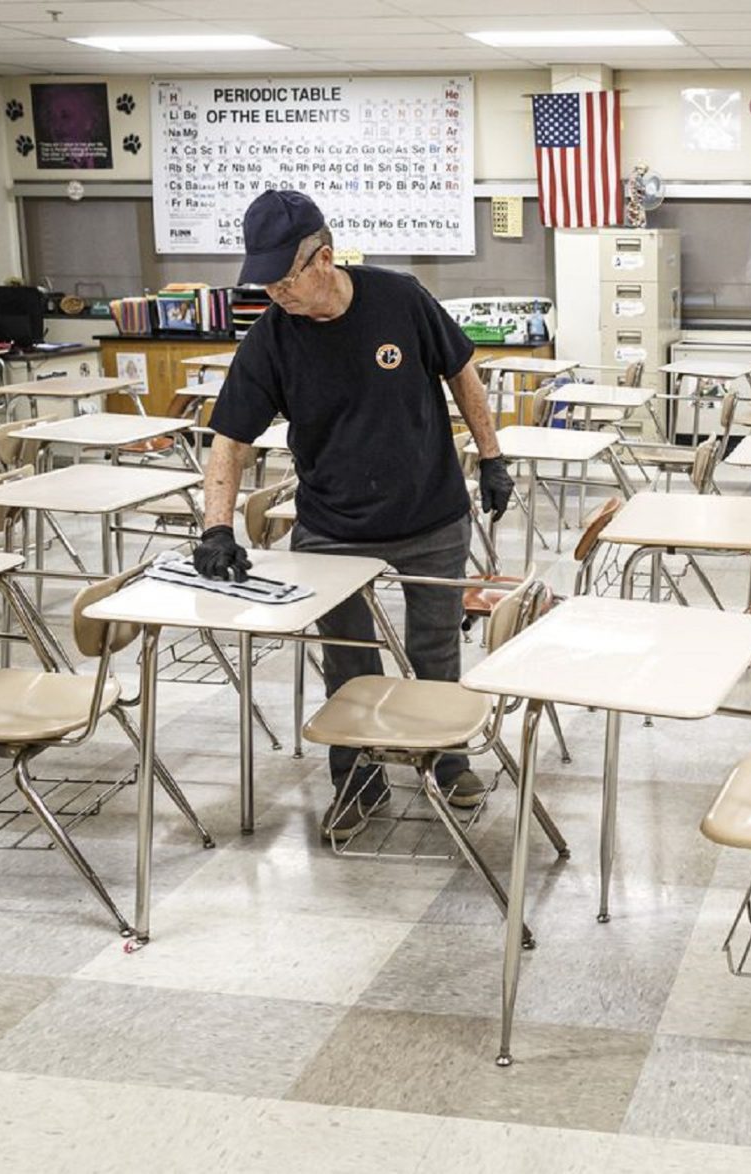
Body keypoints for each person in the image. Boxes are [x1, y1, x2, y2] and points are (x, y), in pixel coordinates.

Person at [196, 189, 515, 842]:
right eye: (266, 286)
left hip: (430, 515)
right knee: (348, 660)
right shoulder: (272, 339)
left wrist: (493, 456)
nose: (277, 296)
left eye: (285, 282)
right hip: (333, 529)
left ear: (324, 258)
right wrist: (217, 527)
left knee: (434, 649)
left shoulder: (400, 298)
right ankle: (358, 778)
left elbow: (463, 374)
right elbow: (228, 437)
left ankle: (447, 757)